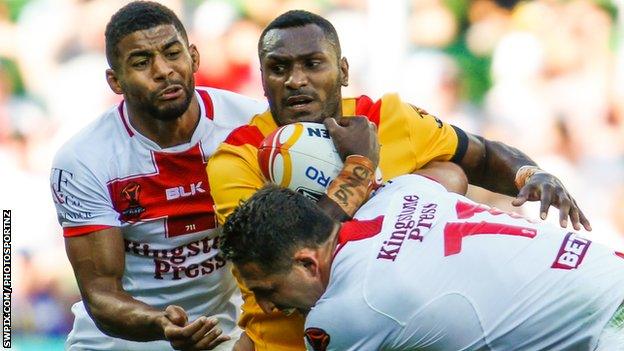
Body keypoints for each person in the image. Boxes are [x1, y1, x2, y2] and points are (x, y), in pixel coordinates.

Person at [207, 10, 592, 350]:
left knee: (450, 174)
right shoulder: (236, 159)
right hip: (291, 342)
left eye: (312, 64)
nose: (295, 80)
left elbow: (483, 155)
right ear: (261, 77)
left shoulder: (387, 117)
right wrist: (360, 167)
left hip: (414, 333)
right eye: (278, 68)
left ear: (342, 70)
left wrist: (531, 173)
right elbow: (297, 251)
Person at [49, 2, 268, 350]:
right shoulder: (84, 159)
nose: (163, 70)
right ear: (115, 81)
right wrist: (161, 323)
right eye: (141, 62)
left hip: (219, 335)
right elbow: (101, 294)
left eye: (172, 53)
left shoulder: (253, 124)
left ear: (194, 57)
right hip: (117, 340)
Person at [221, 172, 624, 351]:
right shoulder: (401, 188)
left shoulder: (344, 314)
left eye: (267, 290)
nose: (270, 308)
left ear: (309, 263)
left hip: (609, 326)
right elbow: (451, 173)